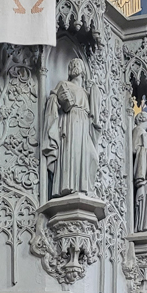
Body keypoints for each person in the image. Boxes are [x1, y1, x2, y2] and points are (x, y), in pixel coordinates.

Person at [43, 59, 100, 197]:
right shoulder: (64, 84)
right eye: (72, 65)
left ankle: (85, 188)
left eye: (78, 64)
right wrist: (57, 100)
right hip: (70, 122)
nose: (74, 65)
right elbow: (53, 100)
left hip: (84, 124)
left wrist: (95, 94)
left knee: (93, 157)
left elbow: (94, 116)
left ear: (83, 71)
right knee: (72, 153)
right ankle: (69, 187)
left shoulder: (87, 93)